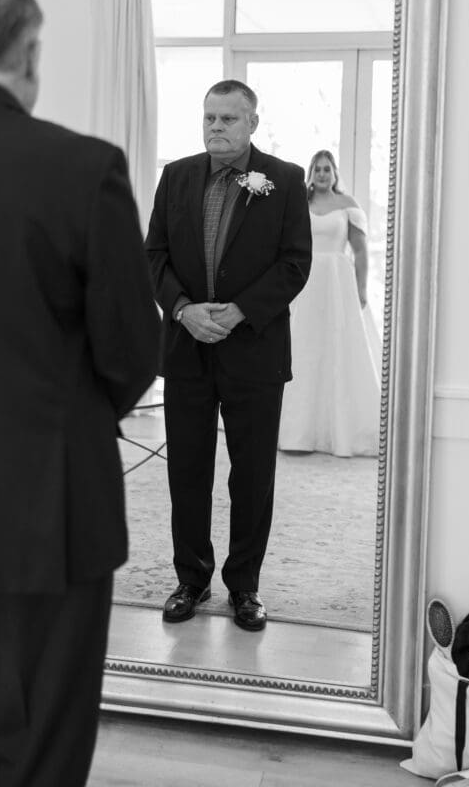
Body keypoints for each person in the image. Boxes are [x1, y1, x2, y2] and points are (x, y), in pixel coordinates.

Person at [0, 0, 161, 786]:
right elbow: (132, 348)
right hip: (50, 501)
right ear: (28, 55)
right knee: (42, 742)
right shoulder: (81, 167)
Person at [145, 79, 312, 632]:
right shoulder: (176, 175)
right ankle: (190, 578)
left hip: (255, 353)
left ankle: (245, 587)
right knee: (188, 471)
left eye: (228, 119)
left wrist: (240, 311)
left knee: (252, 474)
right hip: (187, 349)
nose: (216, 127)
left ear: (252, 124)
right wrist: (183, 309)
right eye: (209, 117)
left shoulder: (282, 181)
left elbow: (294, 263)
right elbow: (155, 256)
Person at [278, 149, 381, 457]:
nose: (322, 174)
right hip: (306, 280)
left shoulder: (348, 206)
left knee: (337, 347)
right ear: (311, 173)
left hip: (338, 282)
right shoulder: (300, 204)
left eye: (327, 169)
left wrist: (361, 288)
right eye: (317, 169)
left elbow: (360, 251)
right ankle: (296, 431)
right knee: (303, 349)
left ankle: (340, 429)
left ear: (335, 173)